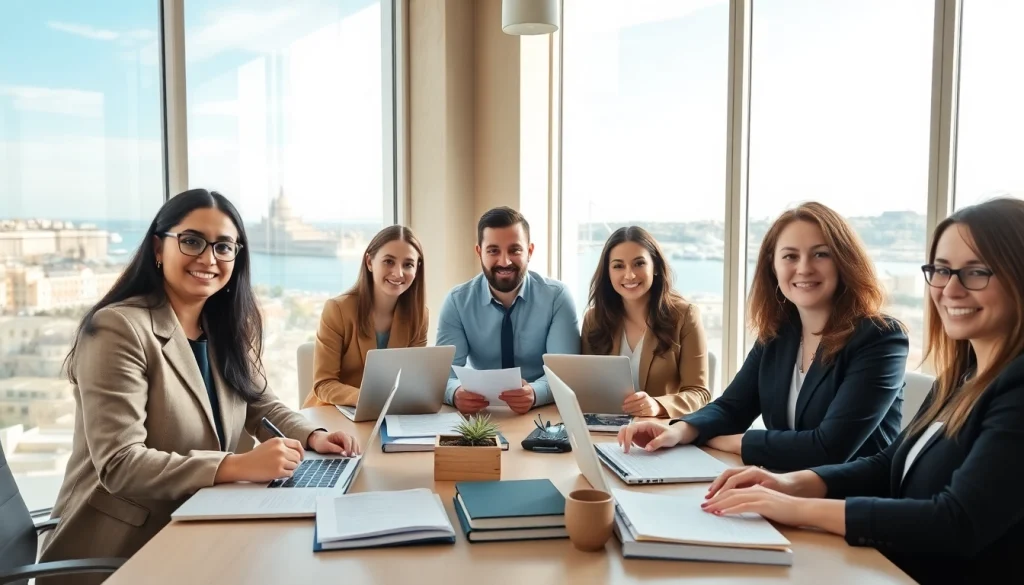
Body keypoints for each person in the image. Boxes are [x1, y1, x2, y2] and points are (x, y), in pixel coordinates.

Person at [39, 189, 360, 582]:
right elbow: (121, 464)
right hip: (120, 549)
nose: (209, 258)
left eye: (224, 247)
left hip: (199, 518)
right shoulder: (118, 329)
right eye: (192, 241)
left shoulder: (223, 325)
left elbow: (259, 402)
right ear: (159, 247)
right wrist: (238, 465)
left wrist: (314, 436)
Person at [699, 198, 1024, 584]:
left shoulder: (1015, 387)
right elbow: (889, 464)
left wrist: (796, 507)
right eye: (941, 270)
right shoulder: (962, 376)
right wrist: (790, 484)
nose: (950, 289)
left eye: (975, 272)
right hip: (883, 565)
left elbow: (957, 522)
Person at [618, 202, 908, 471]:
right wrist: (678, 430)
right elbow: (732, 407)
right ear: (774, 266)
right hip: (780, 488)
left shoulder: (881, 339)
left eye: (821, 254)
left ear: (844, 261)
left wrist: (728, 442)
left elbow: (828, 448)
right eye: (790, 256)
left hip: (848, 509)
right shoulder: (778, 335)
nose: (804, 267)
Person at [437, 206, 580, 415]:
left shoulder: (557, 298)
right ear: (479, 252)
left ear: (529, 251)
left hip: (543, 411)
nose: (505, 261)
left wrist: (535, 393)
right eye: (493, 250)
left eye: (515, 250)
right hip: (481, 413)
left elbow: (564, 374)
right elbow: (443, 375)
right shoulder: (457, 302)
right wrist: (455, 392)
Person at [581, 226, 711, 418]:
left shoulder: (685, 316)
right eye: (618, 266)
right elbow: (585, 385)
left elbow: (699, 393)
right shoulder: (594, 319)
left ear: (656, 266)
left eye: (639, 264)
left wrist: (658, 405)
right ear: (608, 273)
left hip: (660, 433)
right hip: (605, 429)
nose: (629, 275)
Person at [303, 225, 427, 407]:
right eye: (389, 261)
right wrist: (369, 400)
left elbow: (413, 380)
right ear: (369, 262)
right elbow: (323, 384)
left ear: (417, 268)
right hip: (332, 414)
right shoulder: (337, 310)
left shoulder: (419, 316)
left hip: (388, 416)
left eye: (408, 264)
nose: (398, 273)